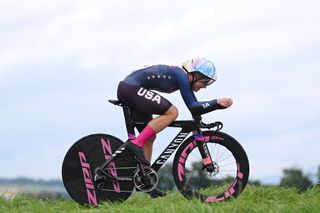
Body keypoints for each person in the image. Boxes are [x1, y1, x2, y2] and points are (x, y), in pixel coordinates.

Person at [117, 57, 233, 197]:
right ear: (194, 75)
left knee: (149, 137)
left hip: (132, 89)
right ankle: (135, 144)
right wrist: (217, 103)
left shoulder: (183, 77)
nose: (205, 86)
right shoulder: (182, 76)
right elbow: (193, 107)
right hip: (131, 88)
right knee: (173, 112)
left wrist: (211, 107)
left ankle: (145, 181)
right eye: (205, 81)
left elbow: (195, 107)